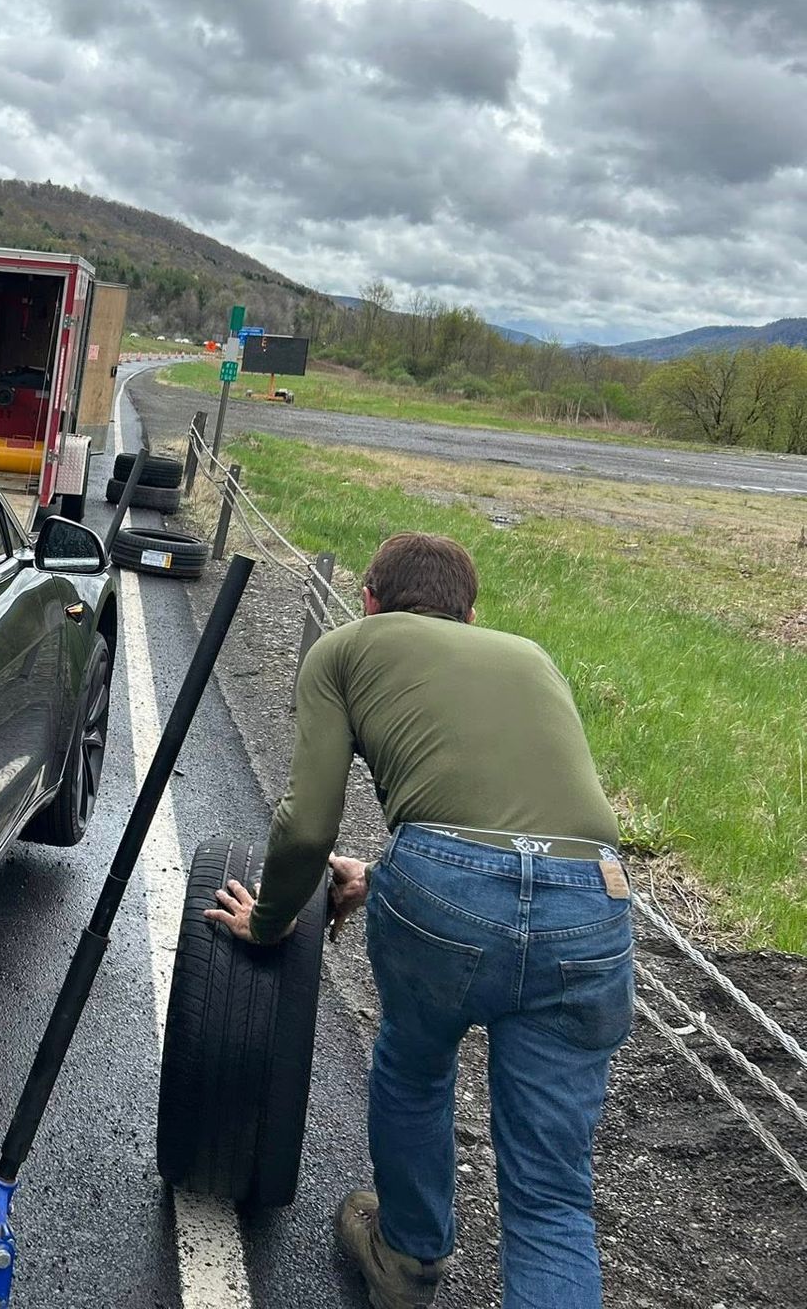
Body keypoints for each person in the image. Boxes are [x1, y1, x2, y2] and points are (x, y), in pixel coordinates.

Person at [202, 532, 634, 1309]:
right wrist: (391, 876)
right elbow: (524, 842)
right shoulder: (530, 656)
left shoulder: (344, 649)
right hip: (592, 898)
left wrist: (268, 924)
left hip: (445, 888)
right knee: (551, 1196)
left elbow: (306, 828)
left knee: (415, 1063)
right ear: (470, 616)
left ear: (368, 598)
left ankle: (405, 1260)